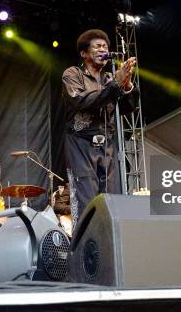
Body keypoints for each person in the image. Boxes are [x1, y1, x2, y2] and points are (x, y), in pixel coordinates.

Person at [62, 29, 139, 224]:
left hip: (107, 144)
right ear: (84, 53)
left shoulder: (108, 78)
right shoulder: (73, 74)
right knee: (87, 198)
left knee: (112, 197)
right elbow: (81, 101)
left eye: (105, 46)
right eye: (97, 46)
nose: (103, 49)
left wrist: (127, 85)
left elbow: (128, 108)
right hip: (81, 143)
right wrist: (116, 83)